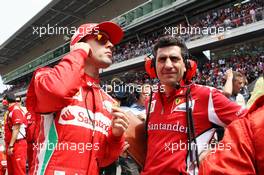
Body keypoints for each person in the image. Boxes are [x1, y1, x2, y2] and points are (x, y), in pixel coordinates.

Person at [26, 21, 129, 175]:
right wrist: (78, 53)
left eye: (111, 42)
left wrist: (115, 137)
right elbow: (57, 91)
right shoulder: (46, 76)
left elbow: (103, 160)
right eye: (101, 38)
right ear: (81, 44)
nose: (110, 45)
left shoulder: (109, 101)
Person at [141, 36, 247, 175]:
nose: (168, 65)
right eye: (162, 59)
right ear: (153, 67)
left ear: (186, 65)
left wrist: (218, 150)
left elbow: (250, 124)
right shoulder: (151, 99)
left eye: (174, 59)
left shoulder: (206, 95)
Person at [199, 75, 264, 174]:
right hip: (227, 139)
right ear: (232, 83)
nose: (242, 86)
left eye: (242, 83)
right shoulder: (221, 95)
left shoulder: (241, 97)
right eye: (239, 83)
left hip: (240, 139)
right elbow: (227, 93)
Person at [3, 93, 27, 175]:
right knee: (12, 171)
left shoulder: (15, 110)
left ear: (7, 100)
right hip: (12, 144)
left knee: (18, 171)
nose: (3, 102)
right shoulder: (10, 111)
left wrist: (11, 145)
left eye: (4, 99)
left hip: (17, 145)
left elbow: (16, 128)